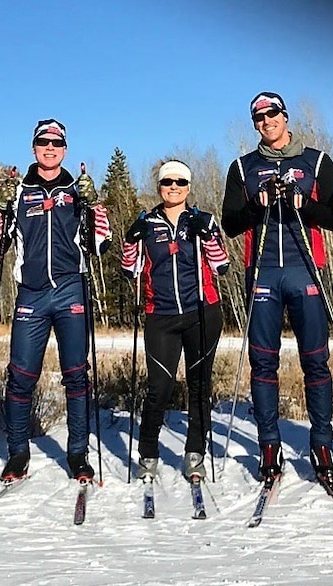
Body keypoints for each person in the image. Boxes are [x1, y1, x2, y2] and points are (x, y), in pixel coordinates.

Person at [220, 92, 333, 484]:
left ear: (285, 116)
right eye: (258, 117)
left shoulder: (317, 161)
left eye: (271, 114)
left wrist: (300, 203)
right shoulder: (243, 167)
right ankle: (269, 444)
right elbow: (230, 224)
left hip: (305, 268)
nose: (265, 121)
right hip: (262, 272)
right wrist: (257, 207)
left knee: (315, 360)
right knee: (263, 362)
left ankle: (322, 444)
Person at [0, 118, 112, 482]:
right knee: (21, 378)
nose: (50, 148)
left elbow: (102, 242)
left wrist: (94, 202)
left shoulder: (76, 190)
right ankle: (17, 453)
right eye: (43, 142)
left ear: (65, 149)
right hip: (32, 294)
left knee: (76, 376)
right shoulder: (20, 191)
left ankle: (77, 454)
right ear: (34, 147)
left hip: (71, 289)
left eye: (56, 143)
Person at [120, 159, 229, 483]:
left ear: (189, 187)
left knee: (199, 387)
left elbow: (221, 266)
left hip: (202, 313)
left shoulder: (203, 220)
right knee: (159, 388)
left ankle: (195, 453)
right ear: (159, 187)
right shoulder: (147, 223)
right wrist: (130, 239)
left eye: (180, 182)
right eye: (168, 182)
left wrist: (207, 235)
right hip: (161, 316)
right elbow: (130, 271)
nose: (174, 187)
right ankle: (148, 454)